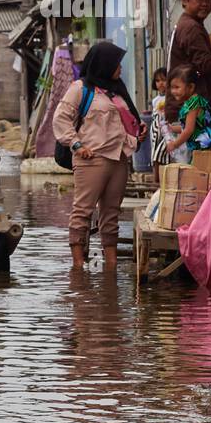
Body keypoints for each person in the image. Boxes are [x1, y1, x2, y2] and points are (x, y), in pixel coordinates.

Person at [52, 40, 145, 272]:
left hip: (119, 159)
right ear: (103, 64)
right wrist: (76, 145)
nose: (120, 69)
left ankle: (110, 265)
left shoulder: (117, 90)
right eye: (116, 64)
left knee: (111, 213)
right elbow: (61, 118)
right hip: (91, 159)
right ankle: (78, 266)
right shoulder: (80, 89)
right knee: (83, 210)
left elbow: (126, 121)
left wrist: (138, 132)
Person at [165, 64, 211, 163]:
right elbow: (191, 126)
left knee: (200, 171)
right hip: (202, 146)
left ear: (191, 87)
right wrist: (172, 128)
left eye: (177, 87)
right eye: (172, 87)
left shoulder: (194, 103)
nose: (173, 91)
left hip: (207, 146)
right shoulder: (191, 102)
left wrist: (174, 144)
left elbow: (189, 130)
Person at [149, 67, 170, 181]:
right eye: (157, 81)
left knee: (162, 154)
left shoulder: (171, 97)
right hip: (155, 130)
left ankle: (161, 180)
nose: (160, 83)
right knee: (154, 154)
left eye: (163, 80)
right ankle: (156, 181)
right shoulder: (155, 100)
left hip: (167, 129)